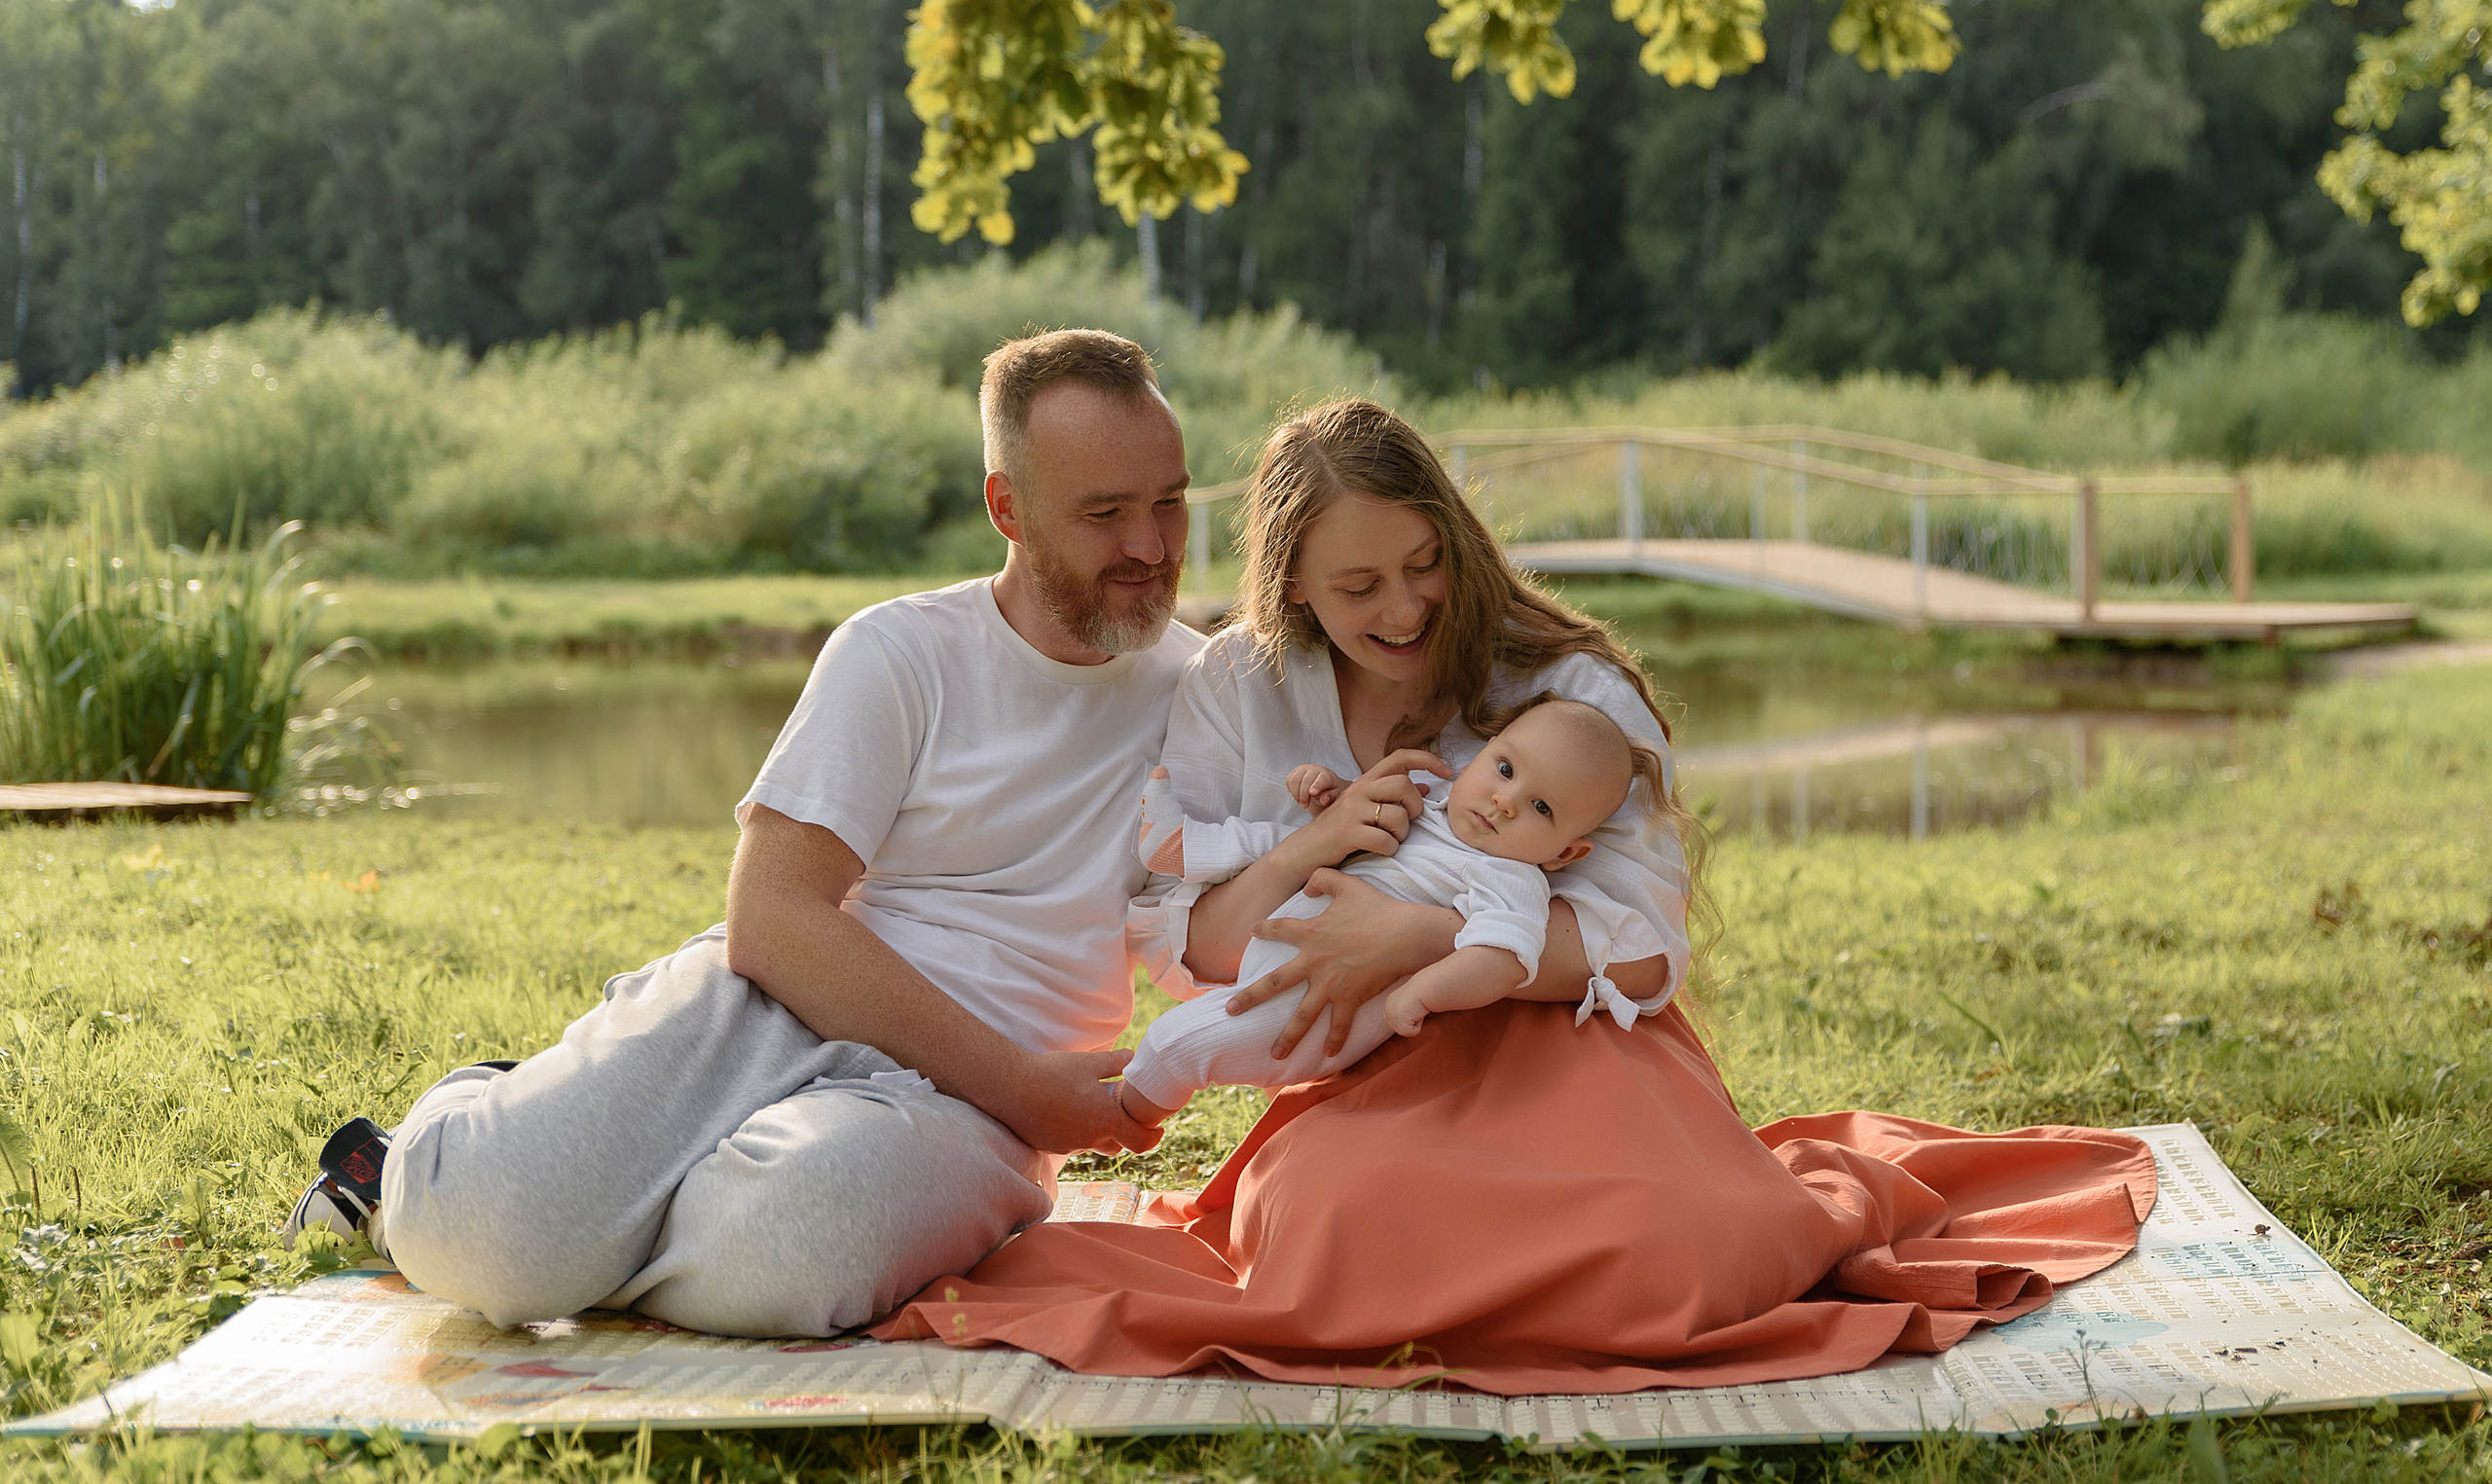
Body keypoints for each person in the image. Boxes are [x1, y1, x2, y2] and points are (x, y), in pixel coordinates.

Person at [875, 398, 2156, 1393]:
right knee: (1349, 1235)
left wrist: (1423, 931)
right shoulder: (1240, 687)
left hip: (1573, 1047)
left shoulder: (1568, 693)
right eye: (1357, 585)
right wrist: (1305, 859)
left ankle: (1662, 1213)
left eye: (1423, 564)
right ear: (1292, 590)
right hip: (1372, 1062)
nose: (1404, 607)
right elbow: (1186, 947)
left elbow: (1642, 938)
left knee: (1675, 1251)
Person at [281, 328, 1208, 1337]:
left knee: (784, 1256)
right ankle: (441, 1146)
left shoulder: (1211, 696)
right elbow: (772, 918)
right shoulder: (899, 653)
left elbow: (1235, 912)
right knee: (490, 1231)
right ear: (1007, 509)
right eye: (1105, 513)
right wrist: (1027, 1085)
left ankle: (597, 1213)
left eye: (1170, 501)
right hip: (776, 1006)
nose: (1151, 546)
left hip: (967, 1117)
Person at [1117, 695, 1666, 1123]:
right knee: (1286, 838)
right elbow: (1352, 822)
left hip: (1319, 1004)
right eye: (1504, 769)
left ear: (1566, 853)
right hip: (1285, 945)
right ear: (1481, 751)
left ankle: (1122, 1118)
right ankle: (1182, 846)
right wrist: (1329, 792)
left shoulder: (1511, 878)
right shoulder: (1431, 805)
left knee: (1174, 1043)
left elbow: (1504, 958)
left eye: (1540, 807)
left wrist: (1420, 993)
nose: (1506, 800)